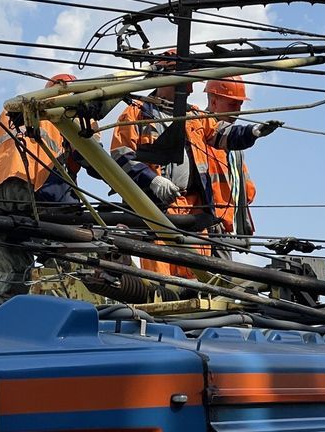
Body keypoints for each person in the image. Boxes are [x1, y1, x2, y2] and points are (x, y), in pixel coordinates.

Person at [110, 61, 279, 277]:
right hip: (156, 208)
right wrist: (152, 180)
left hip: (194, 209)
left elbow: (222, 135)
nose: (191, 89)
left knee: (199, 275)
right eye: (187, 81)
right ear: (166, 79)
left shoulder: (194, 116)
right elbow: (121, 155)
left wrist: (252, 132)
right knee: (161, 275)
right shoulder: (136, 114)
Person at [0, 74, 81, 302]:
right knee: (69, 258)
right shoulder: (75, 107)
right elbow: (87, 157)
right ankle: (61, 319)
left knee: (12, 272)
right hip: (34, 184)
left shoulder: (12, 108)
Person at [204, 76, 261, 237]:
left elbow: (247, 189)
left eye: (239, 105)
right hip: (207, 224)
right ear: (214, 102)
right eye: (232, 104)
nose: (237, 111)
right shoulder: (199, 134)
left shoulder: (235, 146)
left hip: (227, 226)